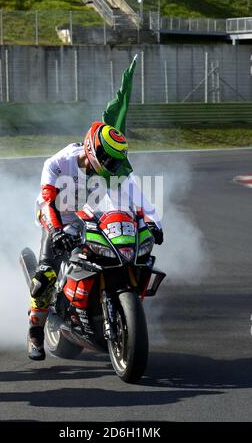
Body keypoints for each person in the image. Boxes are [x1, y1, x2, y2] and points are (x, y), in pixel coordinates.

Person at [28, 121, 164, 360]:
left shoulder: (115, 170)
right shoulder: (57, 164)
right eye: (108, 159)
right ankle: (35, 332)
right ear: (92, 149)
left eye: (116, 160)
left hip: (91, 215)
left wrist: (154, 224)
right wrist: (57, 230)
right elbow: (49, 202)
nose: (112, 166)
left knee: (123, 250)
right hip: (57, 216)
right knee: (45, 274)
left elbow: (140, 199)